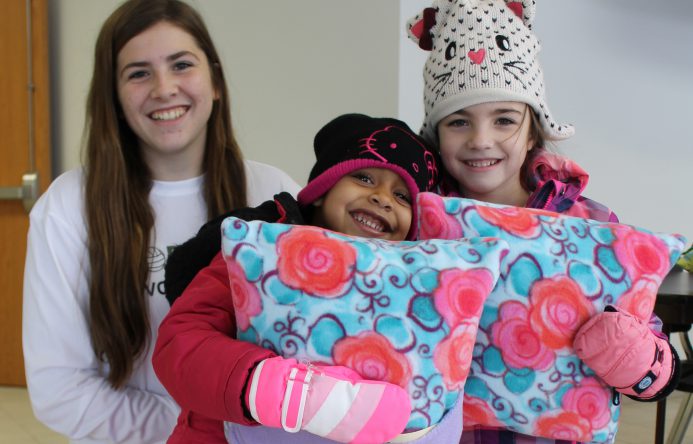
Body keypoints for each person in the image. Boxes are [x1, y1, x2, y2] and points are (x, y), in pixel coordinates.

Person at [22, 1, 300, 443]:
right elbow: (58, 387)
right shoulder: (67, 207)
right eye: (138, 73)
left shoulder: (271, 192)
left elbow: (299, 351)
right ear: (112, 96)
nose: (164, 87)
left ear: (215, 82)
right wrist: (196, 430)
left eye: (181, 65)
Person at [405, 1, 679, 443]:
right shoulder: (416, 223)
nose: (481, 140)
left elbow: (649, 349)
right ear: (436, 135)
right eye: (458, 121)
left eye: (504, 120)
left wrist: (636, 360)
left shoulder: (591, 225)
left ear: (533, 130)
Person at [153, 113, 460, 443]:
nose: (382, 198)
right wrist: (282, 391)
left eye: (402, 197)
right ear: (321, 190)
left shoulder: (412, 297)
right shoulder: (257, 252)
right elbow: (181, 344)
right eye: (365, 178)